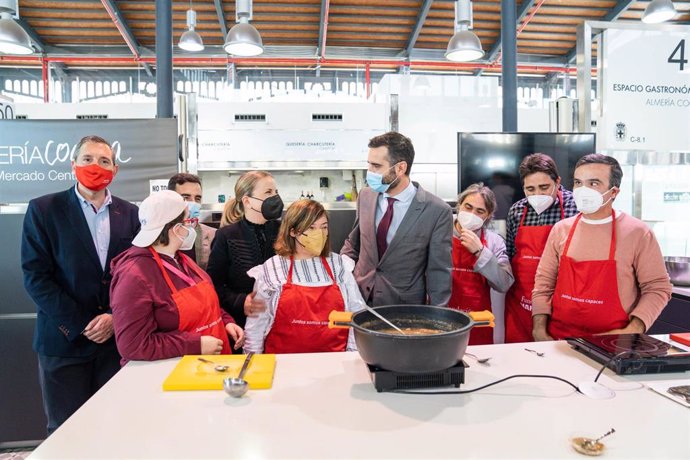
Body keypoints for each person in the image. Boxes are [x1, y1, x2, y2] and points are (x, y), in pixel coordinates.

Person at [21, 135, 140, 434]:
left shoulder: (131, 214)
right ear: (73, 164)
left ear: (115, 170)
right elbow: (36, 276)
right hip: (64, 342)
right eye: (87, 159)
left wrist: (115, 317)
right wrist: (82, 323)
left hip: (116, 343)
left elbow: (137, 276)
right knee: (66, 432)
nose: (95, 166)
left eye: (104, 161)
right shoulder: (44, 209)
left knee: (115, 428)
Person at [532, 154, 672, 341]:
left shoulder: (638, 233)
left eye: (594, 183)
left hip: (613, 345)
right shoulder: (561, 229)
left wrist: (633, 329)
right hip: (559, 341)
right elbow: (543, 285)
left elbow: (658, 288)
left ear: (614, 192)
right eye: (578, 183)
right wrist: (539, 329)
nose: (583, 190)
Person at [109, 190, 244, 364]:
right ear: (176, 228)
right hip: (170, 374)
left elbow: (204, 304)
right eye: (188, 221)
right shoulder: (134, 275)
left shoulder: (181, 259)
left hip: (207, 367)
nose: (192, 226)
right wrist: (195, 344)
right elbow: (133, 344)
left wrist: (225, 321)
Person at [341, 131, 453, 307]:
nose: (369, 171)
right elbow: (354, 242)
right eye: (369, 164)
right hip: (359, 298)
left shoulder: (437, 211)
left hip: (404, 307)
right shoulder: (366, 196)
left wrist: (437, 318)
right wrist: (343, 274)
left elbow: (439, 271)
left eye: (376, 166)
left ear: (400, 168)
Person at [244, 199, 366, 354]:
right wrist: (253, 363)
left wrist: (352, 356)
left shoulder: (339, 266)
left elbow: (356, 315)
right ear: (293, 231)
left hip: (334, 363)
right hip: (282, 364)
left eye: (324, 227)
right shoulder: (271, 270)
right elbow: (256, 325)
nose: (320, 234)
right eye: (312, 227)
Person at [504, 154, 577, 343]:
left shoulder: (575, 207)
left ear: (558, 181)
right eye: (530, 189)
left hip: (561, 299)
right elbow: (511, 254)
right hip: (521, 302)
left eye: (544, 187)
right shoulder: (516, 211)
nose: (537, 194)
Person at [207, 171, 282, 328]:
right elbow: (213, 286)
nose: (275, 197)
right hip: (241, 325)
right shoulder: (226, 236)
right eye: (268, 192)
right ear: (247, 201)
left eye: (276, 192)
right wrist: (240, 301)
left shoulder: (284, 232)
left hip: (280, 322)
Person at [449, 183, 514, 345]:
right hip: (443, 316)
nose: (471, 214)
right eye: (468, 207)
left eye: (479, 211)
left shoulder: (494, 241)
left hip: (477, 321)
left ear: (488, 215)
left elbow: (504, 283)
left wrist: (480, 252)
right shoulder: (439, 233)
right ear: (459, 205)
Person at [167, 173, 217, 270]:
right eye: (186, 197)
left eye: (197, 198)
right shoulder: (160, 235)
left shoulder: (212, 236)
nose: (193, 202)